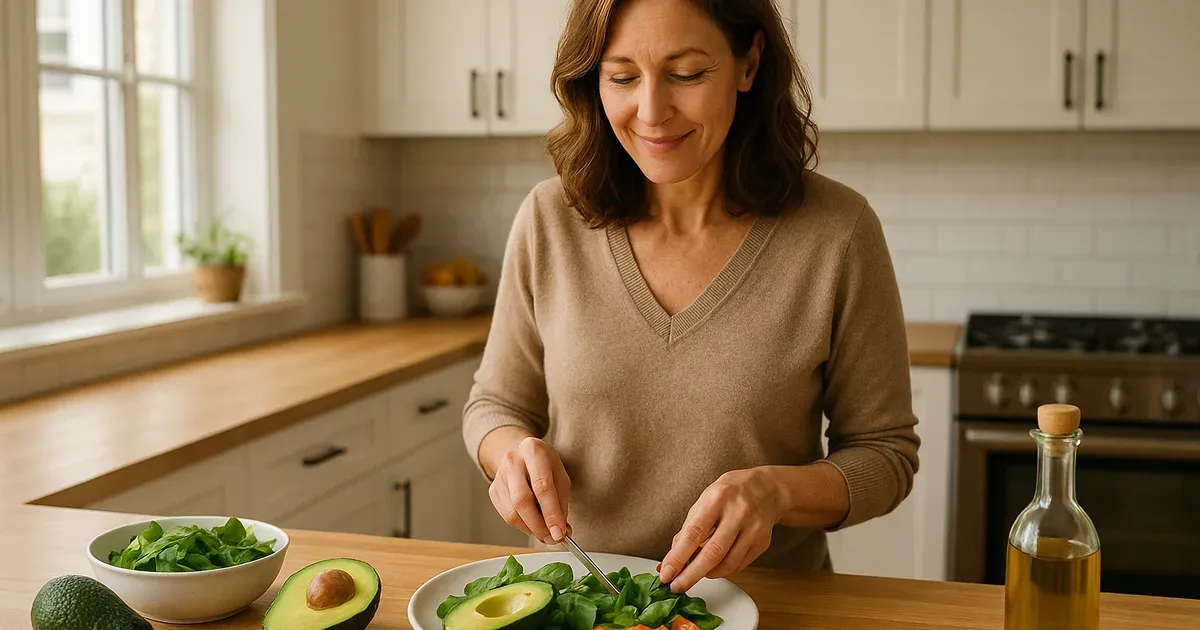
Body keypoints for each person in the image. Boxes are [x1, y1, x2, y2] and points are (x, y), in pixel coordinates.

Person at [462, 0, 920, 594]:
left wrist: (776, 492)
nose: (652, 112)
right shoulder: (549, 220)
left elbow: (886, 455)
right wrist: (511, 456)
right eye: (622, 77)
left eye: (687, 74)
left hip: (769, 606)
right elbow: (493, 406)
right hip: (578, 603)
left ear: (749, 63)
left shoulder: (838, 231)